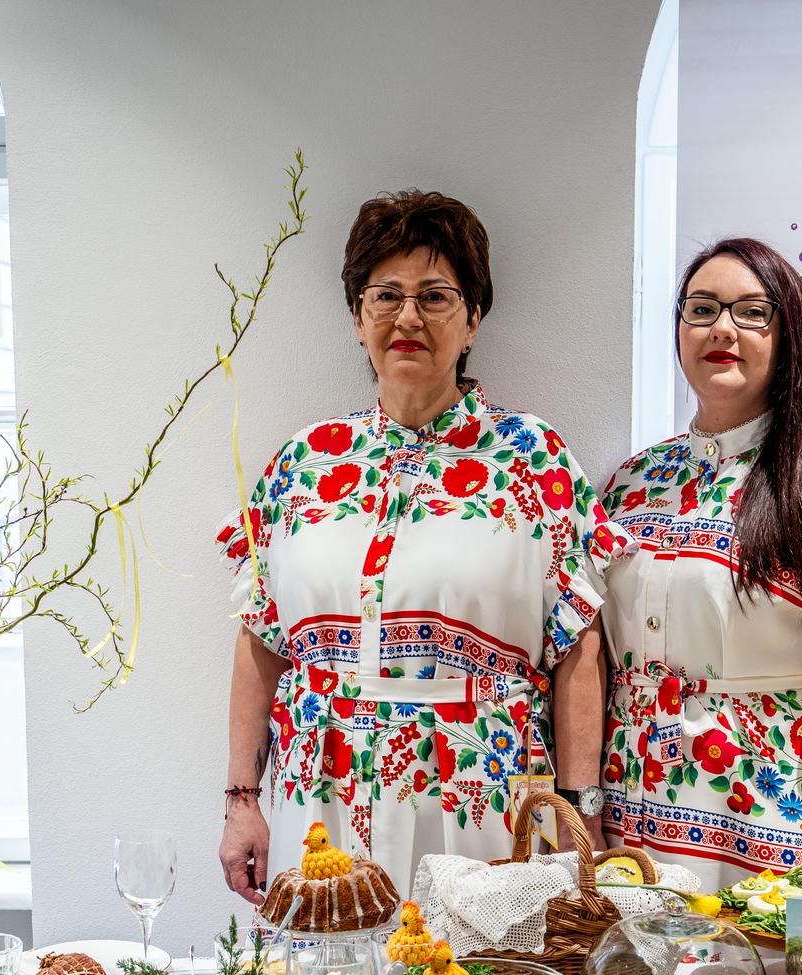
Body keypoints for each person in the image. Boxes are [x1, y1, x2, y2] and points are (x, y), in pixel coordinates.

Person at [216, 190, 623, 903]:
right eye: (386, 296)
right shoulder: (302, 463)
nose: (408, 317)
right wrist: (241, 801)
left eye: (435, 296)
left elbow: (578, 649)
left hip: (482, 798)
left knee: (474, 969)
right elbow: (262, 639)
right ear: (358, 317)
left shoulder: (532, 459)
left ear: (473, 319)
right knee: (332, 969)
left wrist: (578, 813)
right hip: (322, 797)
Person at [598, 238, 802, 890]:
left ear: (790, 337)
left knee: (780, 956)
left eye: (752, 312)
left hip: (781, 808)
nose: (722, 328)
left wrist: (780, 707)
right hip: (634, 803)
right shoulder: (632, 482)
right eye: (702, 308)